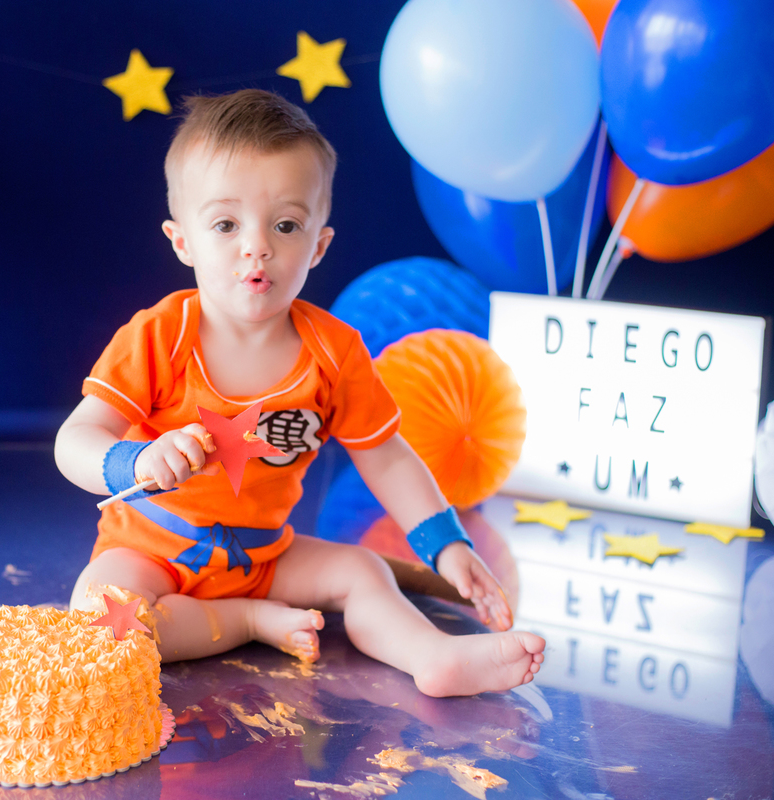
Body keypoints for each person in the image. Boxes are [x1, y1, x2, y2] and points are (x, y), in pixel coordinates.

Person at [54, 89, 544, 696]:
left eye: (285, 225)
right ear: (183, 241)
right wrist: (132, 459)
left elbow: (387, 457)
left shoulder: (333, 352)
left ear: (318, 245)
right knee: (99, 619)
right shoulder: (159, 336)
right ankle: (245, 623)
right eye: (226, 224)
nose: (256, 245)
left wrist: (445, 544)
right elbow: (74, 439)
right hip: (151, 552)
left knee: (362, 571)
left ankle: (433, 657)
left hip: (265, 559)